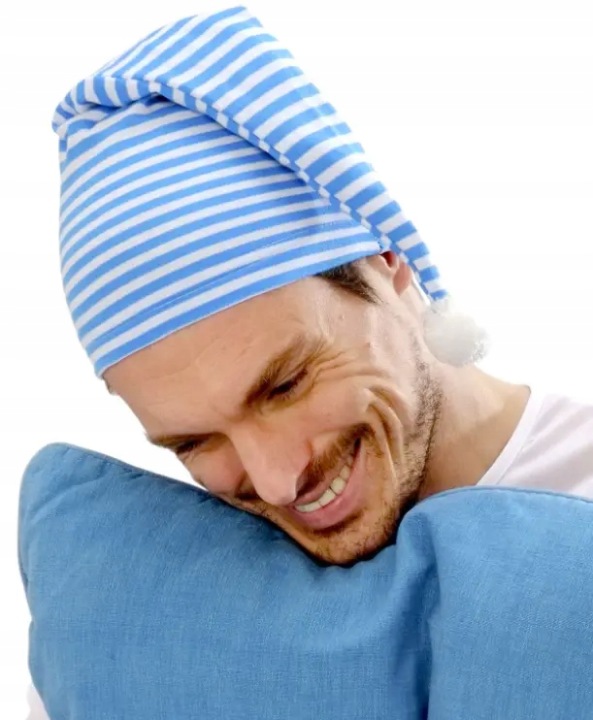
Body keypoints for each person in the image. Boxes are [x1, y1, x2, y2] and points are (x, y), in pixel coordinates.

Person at [25, 6, 593, 718]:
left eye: (286, 385)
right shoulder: (149, 625)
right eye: (194, 442)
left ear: (386, 259)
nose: (276, 480)